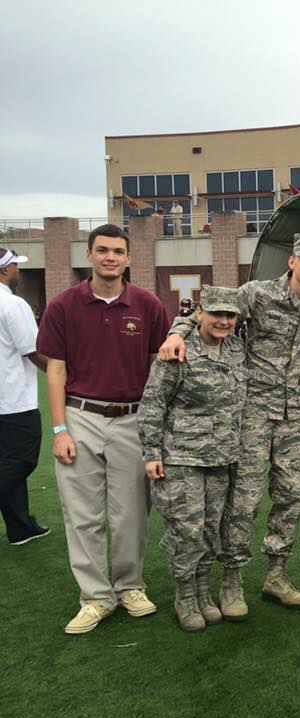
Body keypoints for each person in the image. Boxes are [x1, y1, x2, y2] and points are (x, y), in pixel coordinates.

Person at [159, 233, 300, 620]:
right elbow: (208, 309)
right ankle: (231, 580)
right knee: (244, 502)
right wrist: (177, 332)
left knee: (291, 497)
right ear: (292, 261)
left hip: (293, 417)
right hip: (253, 414)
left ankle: (276, 575)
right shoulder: (258, 293)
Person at [37, 224, 170, 635]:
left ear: (129, 258)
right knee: (83, 514)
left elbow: (160, 364)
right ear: (90, 255)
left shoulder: (147, 305)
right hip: (81, 416)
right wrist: (60, 429)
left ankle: (130, 586)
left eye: (118, 251)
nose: (110, 257)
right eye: (103, 250)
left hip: (133, 418)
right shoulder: (64, 306)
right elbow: (55, 371)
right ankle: (95, 596)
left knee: (131, 512)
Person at [138, 286, 246, 632]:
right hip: (181, 457)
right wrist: (151, 452)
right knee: (186, 528)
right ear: (200, 312)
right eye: (217, 314)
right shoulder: (178, 350)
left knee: (210, 528)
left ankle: (203, 591)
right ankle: (184, 594)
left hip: (221, 457)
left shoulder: (235, 350)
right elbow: (154, 402)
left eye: (230, 315)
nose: (224, 321)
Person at [0, 248, 49, 546]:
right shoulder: (12, 304)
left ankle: (21, 527)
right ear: (5, 270)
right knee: (22, 460)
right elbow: (33, 350)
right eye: (16, 266)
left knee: (7, 460)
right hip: (14, 399)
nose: (19, 272)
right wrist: (62, 379)